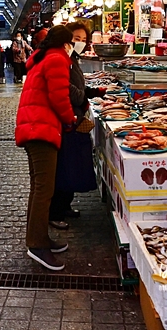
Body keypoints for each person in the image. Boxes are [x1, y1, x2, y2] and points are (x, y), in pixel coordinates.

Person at [15, 25, 77, 271]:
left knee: (39, 188)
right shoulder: (56, 60)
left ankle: (39, 239)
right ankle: (37, 246)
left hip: (33, 126)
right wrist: (71, 119)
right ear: (65, 43)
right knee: (44, 189)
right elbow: (59, 96)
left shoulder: (42, 58)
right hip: (41, 128)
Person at [49, 22, 103, 229]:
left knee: (71, 167)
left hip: (73, 117)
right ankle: (55, 212)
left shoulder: (72, 59)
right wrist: (82, 97)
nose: (78, 43)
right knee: (64, 168)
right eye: (75, 39)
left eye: (83, 40)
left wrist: (92, 92)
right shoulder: (59, 60)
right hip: (66, 121)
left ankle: (64, 206)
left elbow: (76, 84)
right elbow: (64, 89)